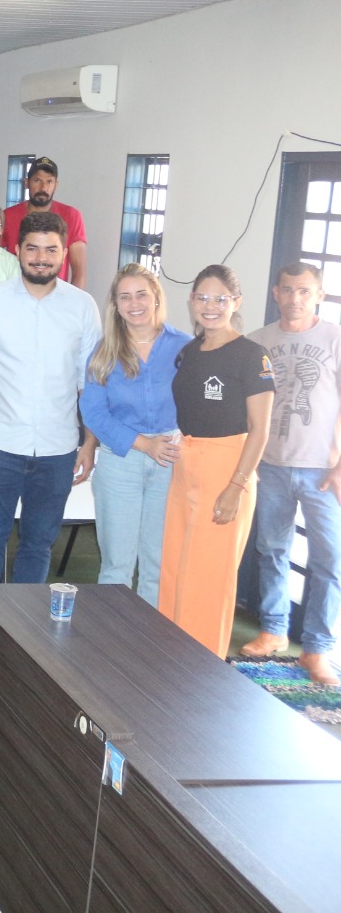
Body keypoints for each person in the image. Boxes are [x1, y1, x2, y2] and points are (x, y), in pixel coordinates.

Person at [0, 211, 101, 585]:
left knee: (39, 545)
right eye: (32, 248)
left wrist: (89, 442)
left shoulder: (83, 307)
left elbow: (91, 383)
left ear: (64, 253)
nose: (41, 257)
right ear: (16, 250)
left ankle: (24, 636)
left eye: (51, 250)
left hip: (58, 449)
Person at [160, 265, 273, 658]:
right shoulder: (189, 352)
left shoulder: (251, 356)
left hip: (228, 467)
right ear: (191, 302)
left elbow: (260, 430)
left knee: (208, 577)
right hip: (186, 463)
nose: (210, 307)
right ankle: (171, 654)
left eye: (220, 299)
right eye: (203, 298)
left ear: (235, 303)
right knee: (175, 567)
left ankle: (201, 664)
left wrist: (236, 486)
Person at [244, 263, 341, 684]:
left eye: (304, 291)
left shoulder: (335, 337)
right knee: (272, 550)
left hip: (324, 471)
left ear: (318, 294)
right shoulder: (256, 342)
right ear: (275, 293)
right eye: (287, 290)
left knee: (330, 559)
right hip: (271, 466)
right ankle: (274, 630)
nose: (295, 298)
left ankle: (317, 648)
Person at [78, 264, 191, 607]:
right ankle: (112, 646)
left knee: (158, 564)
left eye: (142, 294)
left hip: (171, 460)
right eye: (124, 296)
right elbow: (93, 412)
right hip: (120, 461)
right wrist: (143, 443)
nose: (134, 303)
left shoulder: (185, 347)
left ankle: (149, 650)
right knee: (117, 565)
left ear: (156, 297)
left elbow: (200, 404)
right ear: (115, 304)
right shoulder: (103, 352)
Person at [2, 157, 87, 288]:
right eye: (37, 180)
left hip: (56, 297)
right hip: (16, 294)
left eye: (49, 181)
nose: (43, 187)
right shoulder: (7, 216)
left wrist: (73, 303)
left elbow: (79, 271)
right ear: (26, 183)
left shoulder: (71, 216)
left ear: (56, 185)